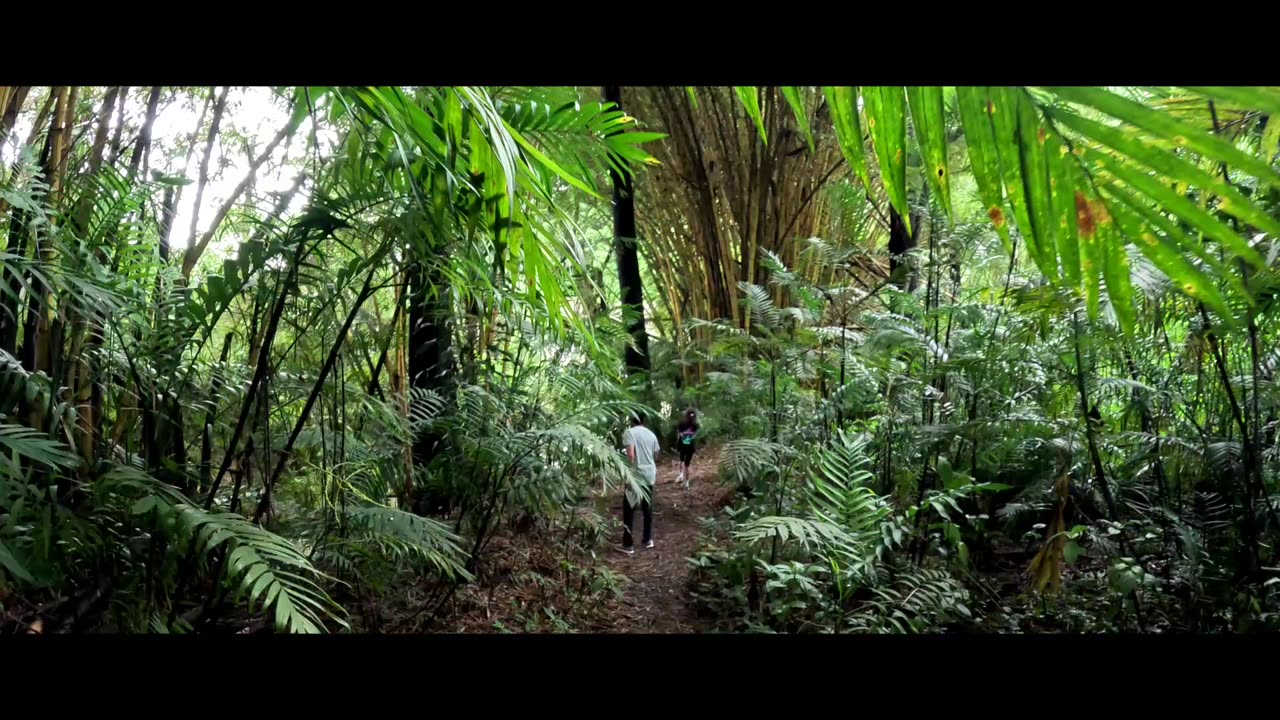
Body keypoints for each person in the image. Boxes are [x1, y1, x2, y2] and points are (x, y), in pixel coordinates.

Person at [620, 414, 660, 554]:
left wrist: (629, 474)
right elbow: (656, 455)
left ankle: (628, 544)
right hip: (649, 475)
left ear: (632, 420)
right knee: (647, 507)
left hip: (636, 475)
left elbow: (630, 454)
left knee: (629, 508)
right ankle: (648, 539)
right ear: (644, 420)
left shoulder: (630, 432)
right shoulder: (651, 434)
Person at [675, 408, 699, 488]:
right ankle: (686, 483)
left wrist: (678, 444)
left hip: (682, 446)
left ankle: (681, 475)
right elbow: (694, 436)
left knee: (681, 461)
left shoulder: (681, 424)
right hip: (691, 447)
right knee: (687, 465)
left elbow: (679, 435)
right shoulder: (695, 425)